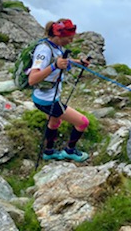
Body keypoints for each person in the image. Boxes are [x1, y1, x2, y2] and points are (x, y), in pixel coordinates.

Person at [28, 18, 91, 162]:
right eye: (69, 38)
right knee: (83, 122)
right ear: (59, 36)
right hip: (46, 100)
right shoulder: (44, 50)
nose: (71, 41)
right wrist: (55, 66)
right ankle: (70, 150)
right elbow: (33, 79)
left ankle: (49, 152)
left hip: (48, 97)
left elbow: (60, 60)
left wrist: (78, 63)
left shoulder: (55, 46)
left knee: (55, 122)